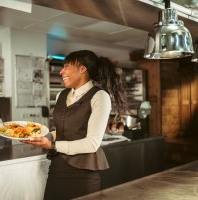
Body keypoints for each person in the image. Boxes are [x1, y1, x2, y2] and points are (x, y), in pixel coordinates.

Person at [22, 50, 127, 200]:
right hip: (58, 168)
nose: (61, 71)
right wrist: (43, 136)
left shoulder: (100, 96)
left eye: (66, 66)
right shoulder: (62, 95)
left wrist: (52, 145)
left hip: (83, 173)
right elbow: (63, 130)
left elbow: (92, 144)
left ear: (82, 69)